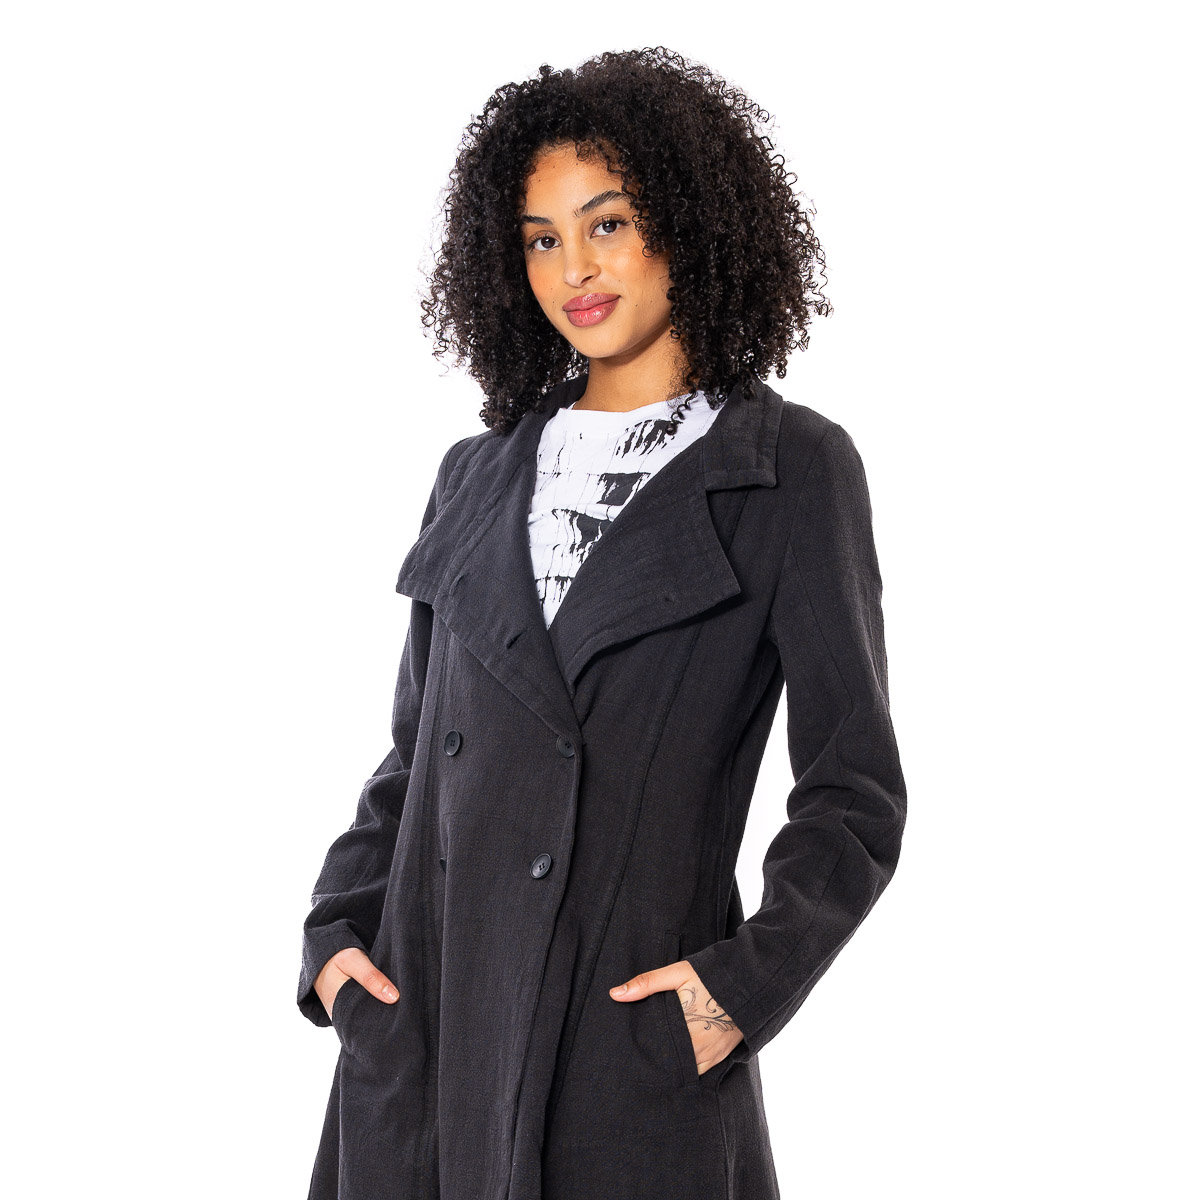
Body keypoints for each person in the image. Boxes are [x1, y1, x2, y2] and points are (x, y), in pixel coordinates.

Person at [297, 46, 906, 1200]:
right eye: (540, 238)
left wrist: (734, 995)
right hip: (423, 1060)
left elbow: (854, 793)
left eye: (607, 223)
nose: (572, 268)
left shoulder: (787, 469)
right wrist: (333, 940)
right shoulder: (476, 473)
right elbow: (412, 763)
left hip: (618, 1070)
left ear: (689, 219)